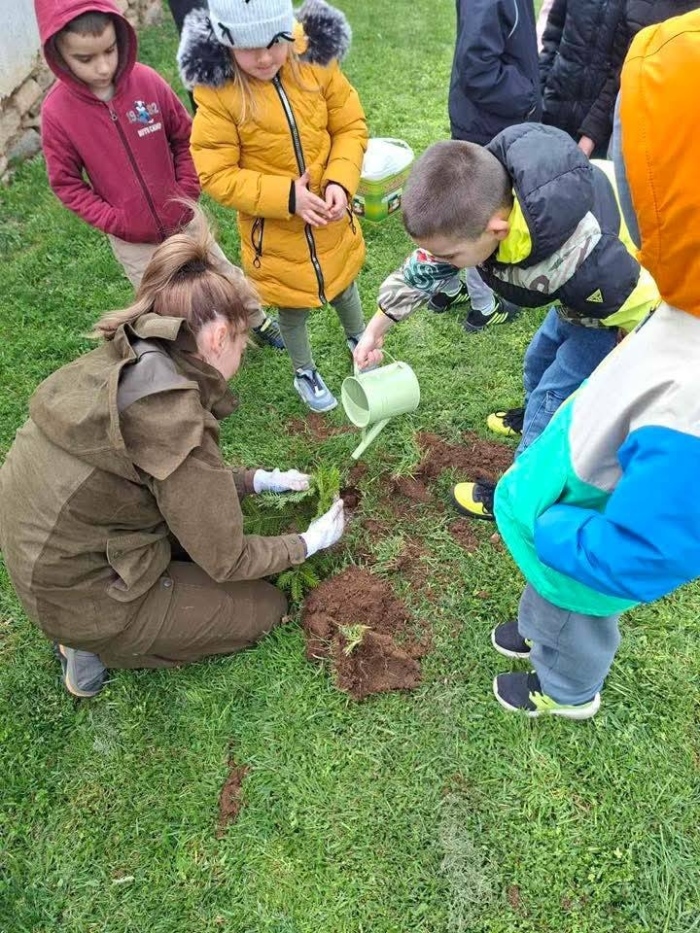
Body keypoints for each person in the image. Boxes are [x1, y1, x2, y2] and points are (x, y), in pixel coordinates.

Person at [0, 211, 345, 699]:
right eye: (243, 344)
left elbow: (166, 481)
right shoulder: (170, 418)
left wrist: (254, 481)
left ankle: (91, 623)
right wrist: (308, 543)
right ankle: (95, 645)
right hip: (84, 591)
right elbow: (227, 559)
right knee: (265, 607)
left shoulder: (136, 347)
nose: (242, 359)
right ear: (219, 337)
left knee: (193, 554)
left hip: (57, 551)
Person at [490, 9, 700, 718]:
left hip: (576, 545)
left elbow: (647, 547)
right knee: (543, 600)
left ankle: (568, 690)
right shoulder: (681, 296)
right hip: (562, 506)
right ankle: (535, 627)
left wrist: (555, 534)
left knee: (569, 620)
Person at [353, 124, 658, 519]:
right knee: (537, 361)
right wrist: (376, 329)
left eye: (451, 256)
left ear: (497, 230)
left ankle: (519, 494)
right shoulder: (485, 207)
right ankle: (531, 417)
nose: (442, 263)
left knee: (553, 399)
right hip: (575, 302)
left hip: (614, 310)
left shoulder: (583, 258)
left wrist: (626, 366)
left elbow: (649, 311)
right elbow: (425, 267)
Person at [34, 0, 284, 350]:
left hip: (185, 219)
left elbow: (185, 137)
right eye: (85, 59)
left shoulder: (147, 82)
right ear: (58, 52)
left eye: (110, 50)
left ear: (121, 36)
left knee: (223, 275)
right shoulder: (57, 113)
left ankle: (256, 320)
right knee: (160, 304)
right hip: (133, 240)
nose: (104, 67)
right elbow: (67, 184)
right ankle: (187, 354)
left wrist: (187, 190)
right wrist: (116, 220)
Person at [179, 0, 368, 413]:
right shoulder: (217, 92)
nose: (264, 57)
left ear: (288, 30)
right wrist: (287, 197)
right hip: (277, 234)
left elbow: (349, 126)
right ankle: (304, 369)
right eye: (248, 47)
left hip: (330, 220)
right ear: (227, 42)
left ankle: (359, 337)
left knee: (344, 286)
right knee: (293, 308)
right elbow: (217, 174)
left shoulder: (315, 59)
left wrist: (340, 180)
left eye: (273, 42)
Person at [433, 0, 541, 330]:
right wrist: (527, 94)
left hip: (480, 118)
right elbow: (477, 66)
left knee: (460, 203)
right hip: (488, 122)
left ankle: (446, 288)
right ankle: (483, 304)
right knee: (480, 214)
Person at [538, 0, 626, 157]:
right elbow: (553, 33)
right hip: (553, 107)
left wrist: (592, 134)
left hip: (596, 130)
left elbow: (621, 73)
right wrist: (541, 90)